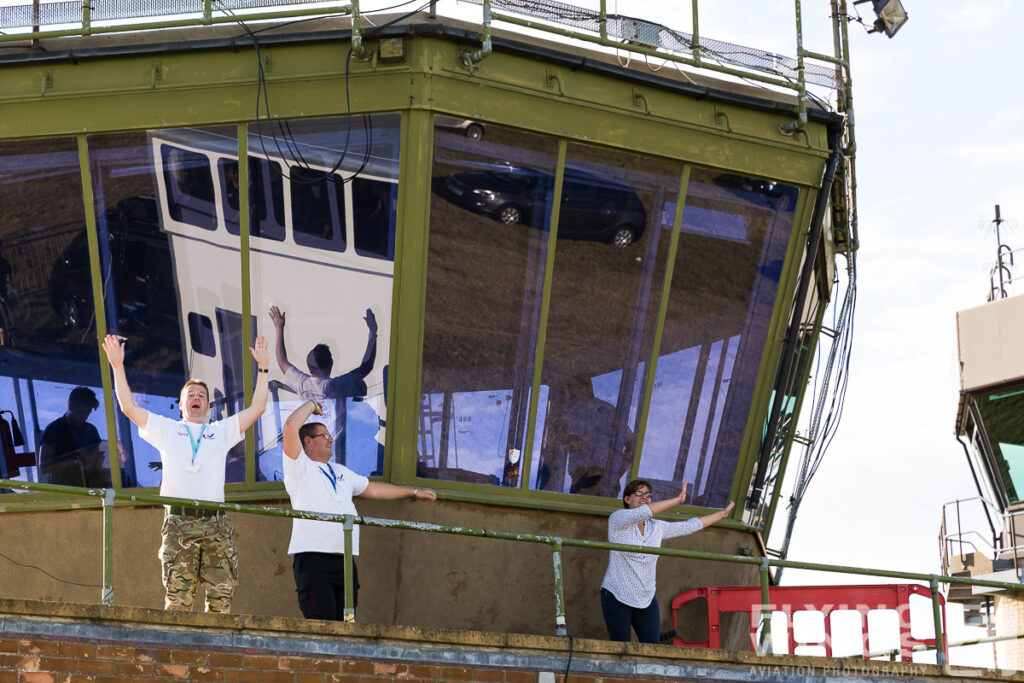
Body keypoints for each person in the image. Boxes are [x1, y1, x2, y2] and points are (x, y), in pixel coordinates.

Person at [101, 333, 271, 613]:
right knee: (178, 601)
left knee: (221, 598)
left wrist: (263, 369)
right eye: (190, 395)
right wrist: (117, 366)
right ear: (181, 405)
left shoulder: (221, 430)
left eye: (202, 396)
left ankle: (216, 655)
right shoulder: (167, 429)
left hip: (215, 522)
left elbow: (258, 407)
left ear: (208, 405)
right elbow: (128, 407)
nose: (196, 398)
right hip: (179, 522)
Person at [281, 398, 436, 621]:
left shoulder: (340, 471)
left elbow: (372, 489)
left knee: (348, 624)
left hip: (345, 561)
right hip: (314, 559)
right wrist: (311, 405)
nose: (331, 440)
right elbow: (290, 427)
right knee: (321, 625)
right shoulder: (299, 467)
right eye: (325, 436)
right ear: (308, 441)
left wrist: (413, 491)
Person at [600, 479, 735, 644]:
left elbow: (689, 526)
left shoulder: (656, 527)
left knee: (652, 648)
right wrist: (678, 500)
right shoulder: (618, 520)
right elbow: (646, 512)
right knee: (620, 648)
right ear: (627, 499)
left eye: (648, 495)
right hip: (617, 594)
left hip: (646, 597)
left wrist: (722, 514)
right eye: (639, 493)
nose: (645, 497)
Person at [37, 387, 105, 487]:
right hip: (66, 492)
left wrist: (97, 459)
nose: (84, 417)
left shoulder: (91, 430)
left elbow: (96, 461)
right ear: (70, 406)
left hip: (91, 488)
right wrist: (77, 461)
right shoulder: (53, 430)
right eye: (81, 413)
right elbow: (44, 467)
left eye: (88, 414)